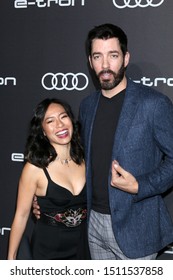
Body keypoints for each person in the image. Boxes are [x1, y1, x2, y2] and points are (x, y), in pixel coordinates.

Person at [33, 23, 173, 260]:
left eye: (113, 55)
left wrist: (141, 185)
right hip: (93, 224)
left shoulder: (154, 104)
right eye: (98, 56)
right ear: (90, 61)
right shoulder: (87, 106)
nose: (105, 65)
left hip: (137, 228)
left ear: (126, 58)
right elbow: (78, 159)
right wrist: (49, 200)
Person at [8, 98, 90, 260]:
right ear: (43, 131)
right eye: (50, 121)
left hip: (84, 246)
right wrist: (11, 260)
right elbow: (22, 215)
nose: (60, 125)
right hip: (49, 249)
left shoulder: (87, 159)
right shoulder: (35, 169)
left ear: (71, 121)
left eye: (63, 117)